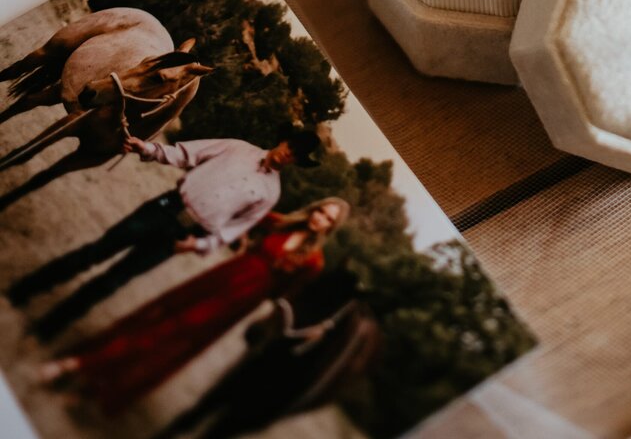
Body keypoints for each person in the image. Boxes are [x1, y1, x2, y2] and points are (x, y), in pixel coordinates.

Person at [42, 198, 350, 420]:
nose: (320, 218)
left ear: (331, 227)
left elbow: (283, 293)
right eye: (321, 211)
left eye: (328, 218)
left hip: (239, 302)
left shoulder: (314, 261)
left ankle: (90, 382)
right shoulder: (280, 222)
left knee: (171, 338)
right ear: (314, 209)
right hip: (219, 279)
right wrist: (242, 241)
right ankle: (81, 362)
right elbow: (244, 215)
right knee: (157, 316)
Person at [11, 126, 321, 341]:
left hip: (186, 234)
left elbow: (234, 229)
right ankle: (26, 289)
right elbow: (186, 153)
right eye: (290, 147)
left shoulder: (270, 193)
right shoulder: (237, 148)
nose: (287, 155)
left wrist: (198, 244)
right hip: (165, 208)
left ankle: (49, 326)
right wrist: (146, 149)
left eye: (295, 156)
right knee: (98, 250)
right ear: (283, 141)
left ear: (296, 162)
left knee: (116, 278)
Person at [154, 268, 380, 439]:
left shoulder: (343, 328)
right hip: (273, 354)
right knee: (215, 399)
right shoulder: (321, 289)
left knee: (230, 422)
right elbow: (301, 297)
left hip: (288, 372)